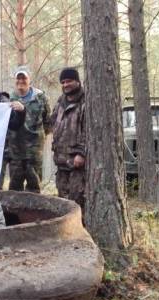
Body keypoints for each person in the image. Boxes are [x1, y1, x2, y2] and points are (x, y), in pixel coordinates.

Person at [7, 66, 52, 193]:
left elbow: (48, 121)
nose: (21, 81)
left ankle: (34, 206)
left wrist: (38, 138)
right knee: (14, 187)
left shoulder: (40, 97)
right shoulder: (9, 98)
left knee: (34, 185)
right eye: (18, 78)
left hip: (34, 150)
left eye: (24, 78)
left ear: (29, 79)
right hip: (15, 149)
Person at [50, 67, 86, 213]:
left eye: (69, 81)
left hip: (77, 163)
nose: (65, 85)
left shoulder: (85, 101)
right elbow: (52, 123)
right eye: (63, 82)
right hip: (61, 162)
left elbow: (89, 130)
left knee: (77, 203)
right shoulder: (60, 101)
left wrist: (81, 153)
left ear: (77, 81)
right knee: (62, 203)